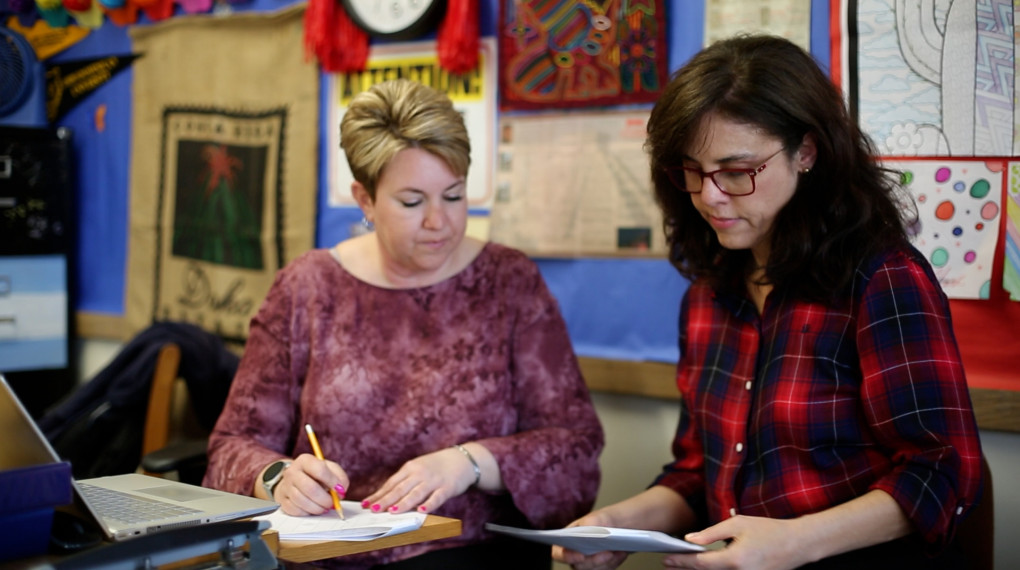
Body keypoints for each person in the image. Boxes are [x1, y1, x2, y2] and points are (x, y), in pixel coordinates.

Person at [553, 35, 983, 570]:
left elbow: (943, 471)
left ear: (805, 151)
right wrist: (622, 524)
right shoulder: (709, 295)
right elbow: (699, 473)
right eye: (692, 171)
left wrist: (795, 542)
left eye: (737, 171)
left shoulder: (880, 279)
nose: (710, 196)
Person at [203, 78, 604, 569]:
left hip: (474, 554)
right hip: (336, 557)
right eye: (413, 202)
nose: (440, 222)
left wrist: (471, 462)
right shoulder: (307, 288)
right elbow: (230, 447)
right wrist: (278, 477)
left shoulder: (509, 282)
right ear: (365, 200)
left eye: (454, 196)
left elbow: (576, 449)